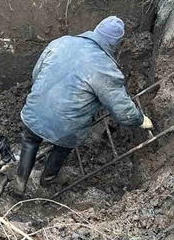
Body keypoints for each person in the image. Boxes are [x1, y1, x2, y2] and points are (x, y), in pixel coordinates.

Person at [12, 16, 154, 197]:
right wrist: (140, 120)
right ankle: (47, 180)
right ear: (116, 44)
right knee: (62, 146)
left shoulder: (61, 42)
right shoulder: (105, 67)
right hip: (66, 126)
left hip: (35, 110)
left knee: (30, 141)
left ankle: (19, 183)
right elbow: (121, 109)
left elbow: (36, 73)